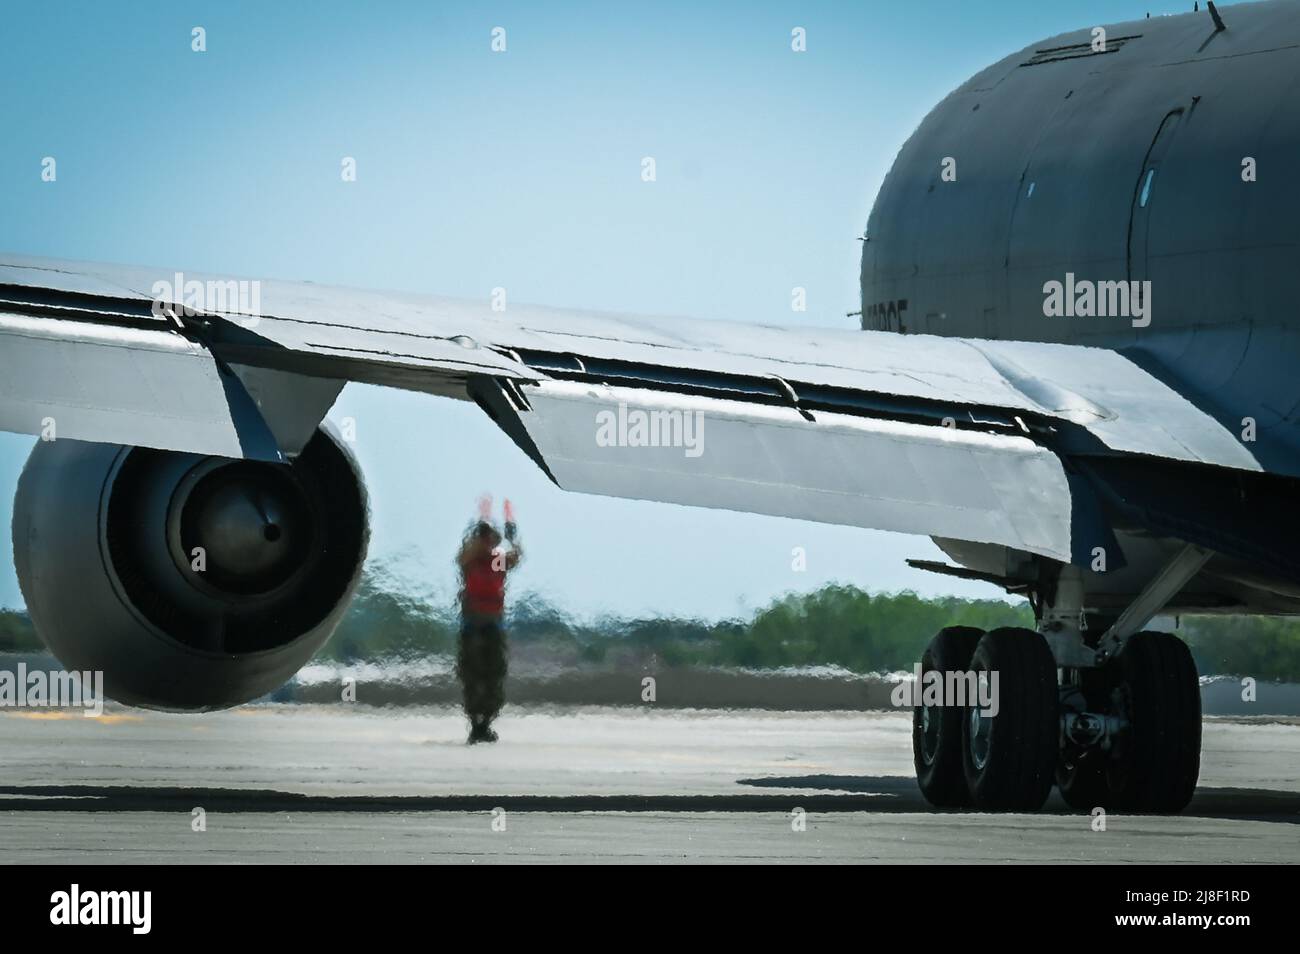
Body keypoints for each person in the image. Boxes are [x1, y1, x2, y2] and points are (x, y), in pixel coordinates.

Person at [455, 501, 523, 744]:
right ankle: (476, 723)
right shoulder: (471, 559)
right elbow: (466, 554)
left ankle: (487, 722)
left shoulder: (495, 561)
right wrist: (477, 531)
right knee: (473, 673)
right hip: (473, 623)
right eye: (484, 537)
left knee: (493, 673)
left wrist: (512, 537)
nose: (488, 542)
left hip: (493, 623)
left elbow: (515, 557)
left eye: (490, 538)